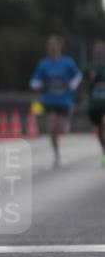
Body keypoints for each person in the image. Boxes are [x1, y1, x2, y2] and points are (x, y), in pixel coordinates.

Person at [29, 35, 82, 168]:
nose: (53, 47)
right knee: (52, 127)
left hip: (65, 100)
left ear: (60, 46)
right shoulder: (43, 64)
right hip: (49, 100)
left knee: (63, 129)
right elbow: (33, 82)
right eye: (50, 45)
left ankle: (65, 126)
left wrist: (72, 84)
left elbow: (78, 76)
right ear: (47, 47)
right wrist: (40, 84)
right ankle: (56, 154)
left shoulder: (67, 62)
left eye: (55, 45)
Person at [84, 40, 105, 166]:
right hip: (95, 105)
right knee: (99, 130)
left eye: (101, 49)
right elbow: (84, 88)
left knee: (104, 123)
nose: (98, 51)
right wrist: (91, 81)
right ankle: (104, 149)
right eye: (96, 49)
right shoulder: (88, 68)